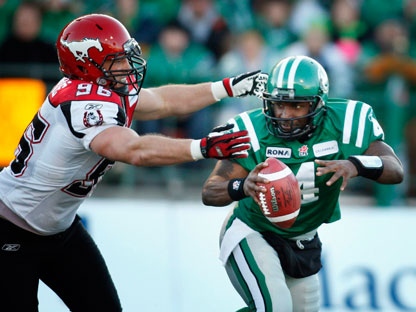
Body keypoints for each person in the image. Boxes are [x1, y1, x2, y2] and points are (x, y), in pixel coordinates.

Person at [0, 13, 267, 311]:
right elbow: (134, 150)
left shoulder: (101, 86)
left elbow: (165, 101)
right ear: (87, 64)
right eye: (117, 60)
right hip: (11, 228)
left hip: (58, 230)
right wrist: (202, 147)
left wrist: (227, 87)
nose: (127, 66)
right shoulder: (83, 104)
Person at [202, 55, 404, 311]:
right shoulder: (250, 129)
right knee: (275, 307)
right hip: (252, 230)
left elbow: (395, 169)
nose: (285, 114)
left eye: (296, 106)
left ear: (318, 104)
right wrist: (243, 186)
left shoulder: (346, 121)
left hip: (303, 238)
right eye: (278, 105)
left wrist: (356, 165)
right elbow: (210, 191)